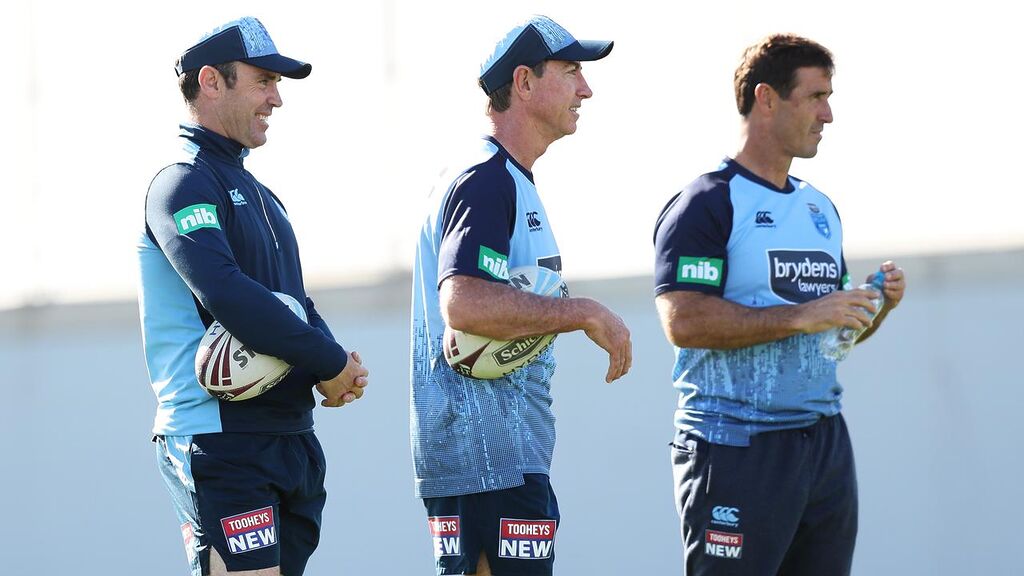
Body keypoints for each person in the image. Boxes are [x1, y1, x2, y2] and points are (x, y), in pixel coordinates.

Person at [653, 34, 907, 575]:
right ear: (766, 98)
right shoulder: (707, 202)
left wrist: (873, 307)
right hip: (735, 448)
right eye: (816, 96)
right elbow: (683, 320)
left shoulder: (820, 208)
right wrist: (801, 314)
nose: (829, 114)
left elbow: (833, 334)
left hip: (824, 445)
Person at [137, 16, 369, 576]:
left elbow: (294, 301)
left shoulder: (262, 194)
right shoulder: (182, 182)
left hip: (289, 436)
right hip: (219, 437)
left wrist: (334, 367)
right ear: (212, 81)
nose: (277, 98)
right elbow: (228, 295)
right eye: (264, 81)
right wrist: (326, 360)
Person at [410, 15, 632, 576]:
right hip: (484, 460)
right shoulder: (486, 178)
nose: (586, 89)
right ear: (525, 83)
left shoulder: (509, 179)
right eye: (572, 71)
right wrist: (580, 312)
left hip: (505, 458)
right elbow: (462, 302)